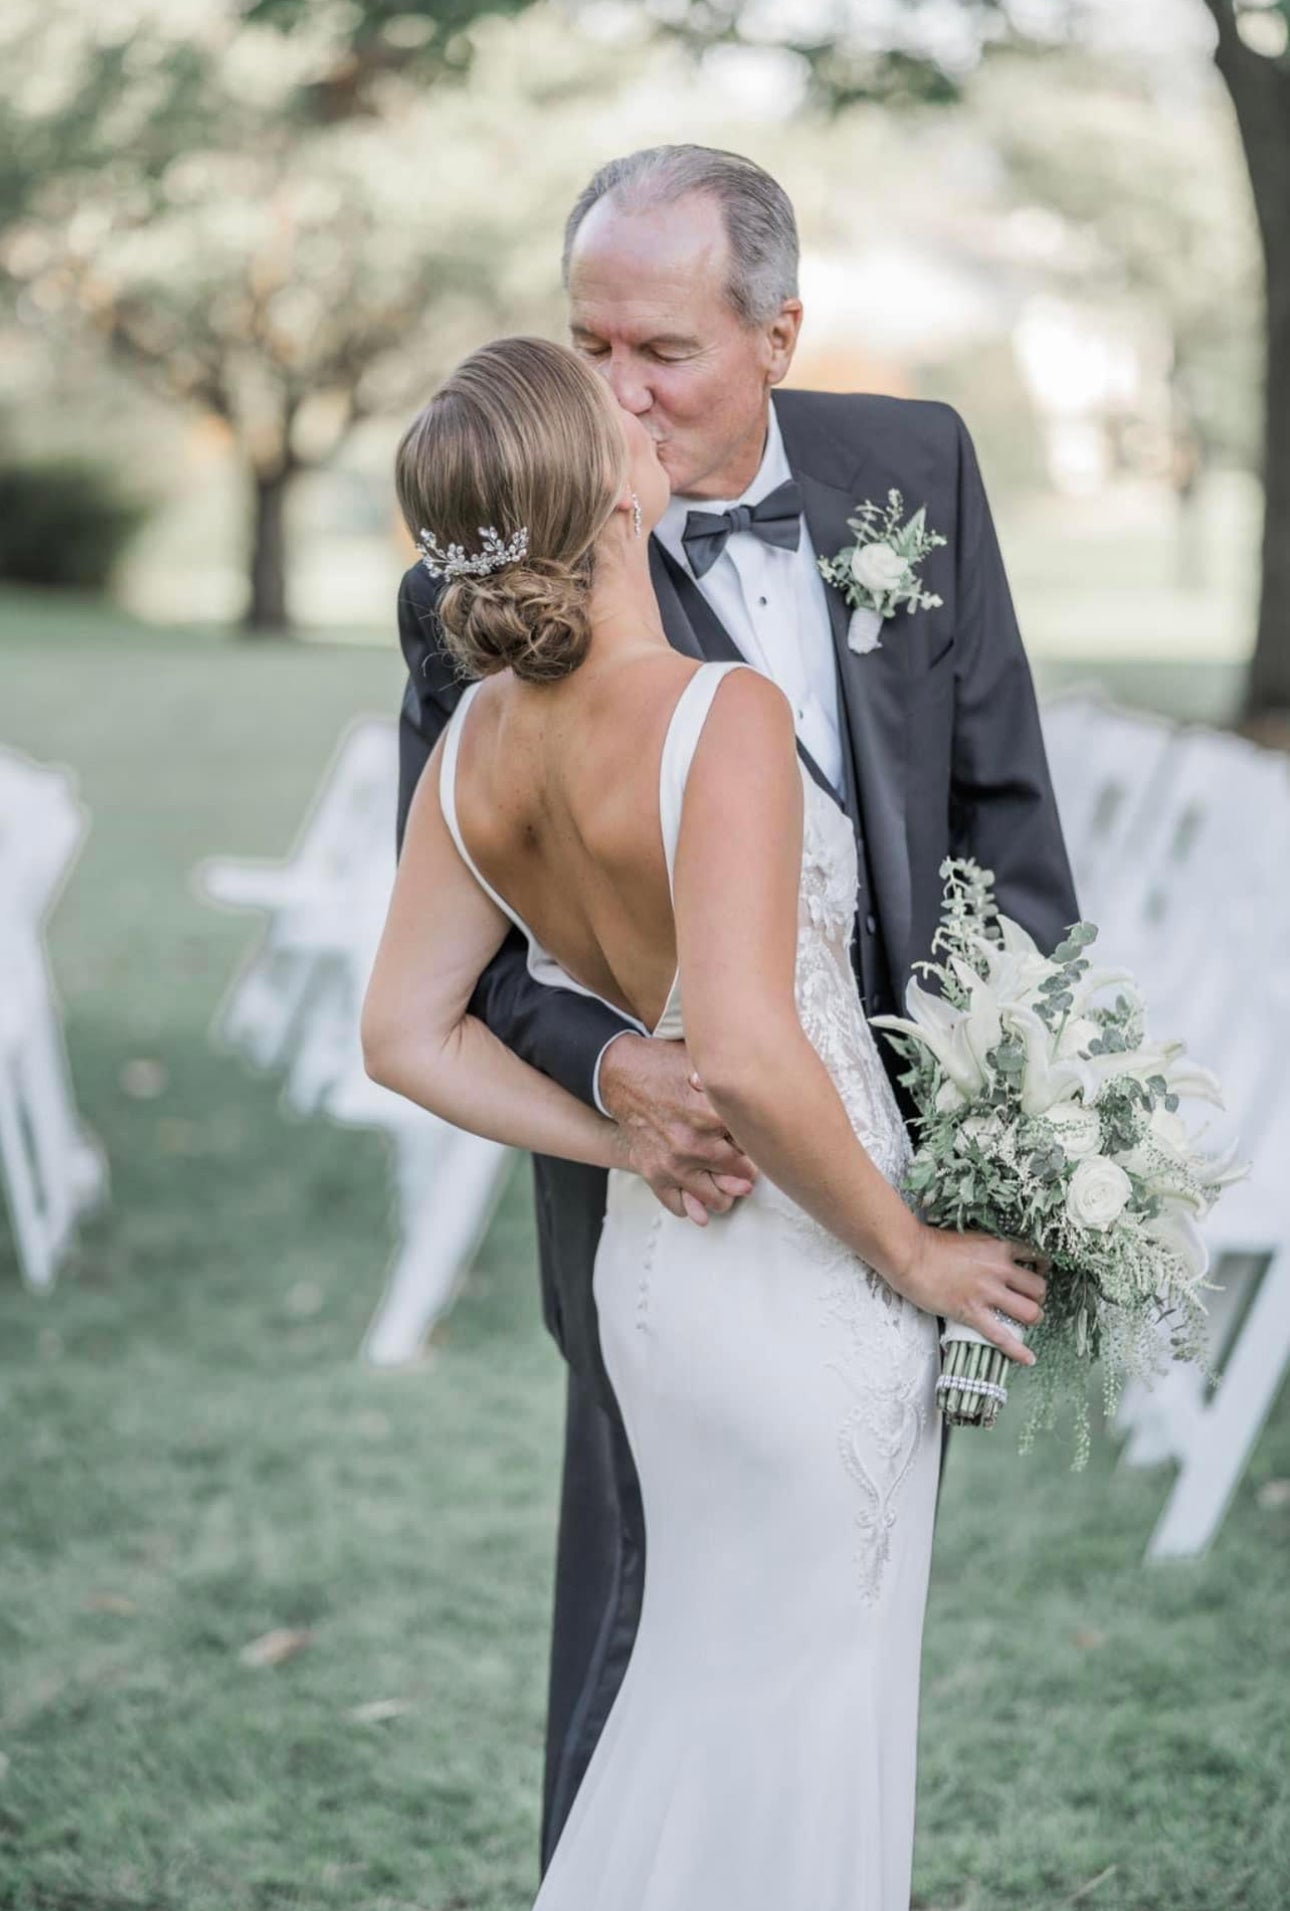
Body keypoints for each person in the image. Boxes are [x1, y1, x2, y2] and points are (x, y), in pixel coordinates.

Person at [390, 145, 1079, 1881]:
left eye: (658, 355)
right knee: (651, 1632)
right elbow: (484, 983)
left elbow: (1001, 802)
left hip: (897, 1153)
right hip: (695, 1192)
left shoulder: (909, 462)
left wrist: (1022, 1111)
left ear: (775, 331)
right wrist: (620, 1075)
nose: (608, 391)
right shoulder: (612, 670)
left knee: (792, 1658)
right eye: (584, 347)